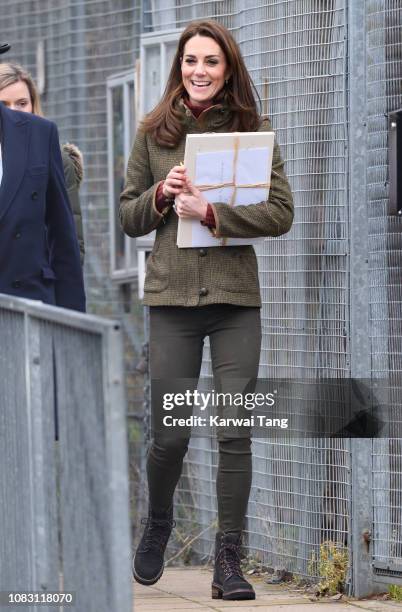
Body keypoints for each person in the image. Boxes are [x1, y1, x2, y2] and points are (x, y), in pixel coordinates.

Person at [120, 20, 293, 600]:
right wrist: (163, 196)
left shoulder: (253, 129)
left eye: (211, 62)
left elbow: (280, 213)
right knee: (169, 436)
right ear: (179, 67)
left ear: (228, 69)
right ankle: (159, 523)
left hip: (234, 301)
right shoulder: (153, 132)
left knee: (235, 430)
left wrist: (215, 212)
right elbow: (128, 217)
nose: (200, 71)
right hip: (171, 300)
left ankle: (229, 562)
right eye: (191, 60)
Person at [0, 44, 85, 311]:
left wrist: (73, 324)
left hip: (30, 295)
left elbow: (66, 236)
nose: (15, 109)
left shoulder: (44, 138)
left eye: (22, 103)